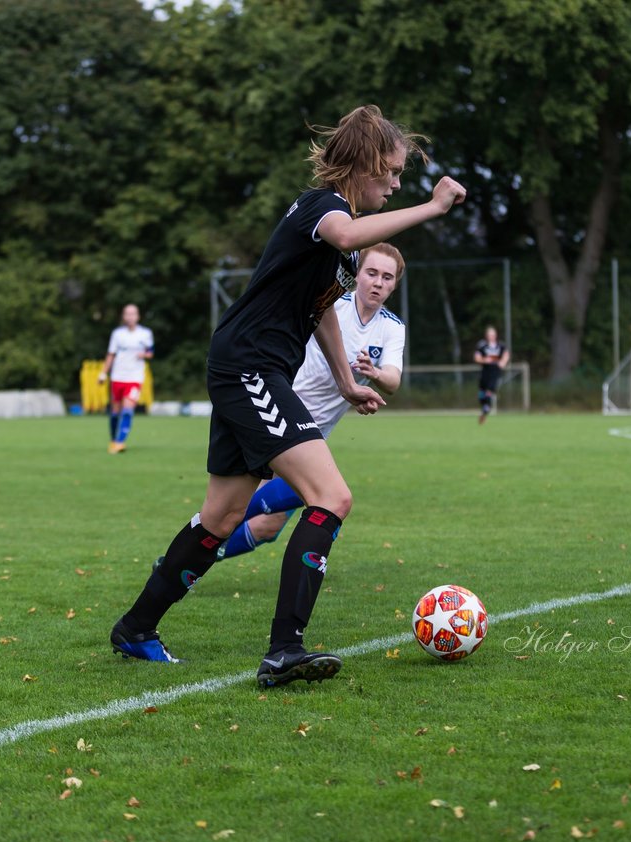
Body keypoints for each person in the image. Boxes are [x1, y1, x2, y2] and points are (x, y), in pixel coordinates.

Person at [109, 105, 466, 689]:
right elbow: (348, 235)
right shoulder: (321, 209)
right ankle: (284, 650)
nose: (398, 184)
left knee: (222, 516)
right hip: (250, 366)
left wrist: (348, 383)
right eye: (394, 172)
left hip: (250, 366)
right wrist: (430, 207)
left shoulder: (338, 240)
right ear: (367, 165)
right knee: (332, 497)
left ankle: (135, 628)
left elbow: (321, 306)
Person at [213, 242, 408, 562]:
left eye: (387, 277)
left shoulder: (391, 327)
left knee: (267, 527)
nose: (378, 282)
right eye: (371, 273)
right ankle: (203, 537)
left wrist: (372, 375)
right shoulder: (331, 306)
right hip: (279, 412)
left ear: (394, 285)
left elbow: (393, 380)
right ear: (357, 275)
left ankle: (196, 552)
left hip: (316, 430)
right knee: (318, 492)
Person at [98, 304, 154, 453]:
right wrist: (103, 373)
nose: (130, 317)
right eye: (127, 314)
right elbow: (111, 354)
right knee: (115, 412)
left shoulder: (145, 333)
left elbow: (150, 352)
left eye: (133, 314)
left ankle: (119, 442)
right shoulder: (117, 334)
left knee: (128, 410)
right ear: (123, 316)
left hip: (135, 378)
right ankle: (113, 439)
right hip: (118, 376)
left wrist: (145, 355)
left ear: (138, 316)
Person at [474, 325, 509, 425]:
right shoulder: (482, 345)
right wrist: (484, 360)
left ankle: (486, 409)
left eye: (493, 335)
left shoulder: (500, 345)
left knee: (490, 391)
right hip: (485, 372)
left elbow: (506, 354)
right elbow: (477, 357)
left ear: (496, 335)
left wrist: (503, 362)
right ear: (486, 336)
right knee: (481, 394)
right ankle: (484, 409)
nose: (491, 337)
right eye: (489, 335)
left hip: (495, 372)